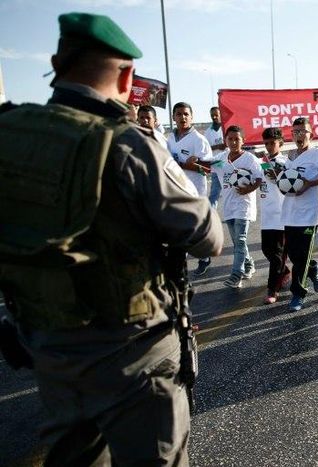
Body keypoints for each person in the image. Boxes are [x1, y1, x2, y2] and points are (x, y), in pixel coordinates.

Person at [0, 12, 223, 465]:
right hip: (132, 349)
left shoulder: (9, 134)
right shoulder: (128, 144)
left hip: (49, 343)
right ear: (126, 77)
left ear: (55, 64)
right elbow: (206, 237)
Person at [281, 117, 318, 312]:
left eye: (303, 131)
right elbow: (285, 182)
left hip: (309, 213)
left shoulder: (317, 154)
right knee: (295, 255)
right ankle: (314, 268)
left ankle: (298, 293)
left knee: (303, 255)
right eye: (296, 132)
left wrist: (309, 183)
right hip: (290, 213)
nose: (299, 135)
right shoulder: (289, 156)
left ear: (311, 134)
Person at [167, 101, 216, 276]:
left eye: (186, 114)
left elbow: (208, 167)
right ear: (173, 117)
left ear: (192, 117)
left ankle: (204, 258)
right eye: (179, 114)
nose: (182, 117)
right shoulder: (171, 139)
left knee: (195, 229)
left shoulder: (199, 139)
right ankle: (179, 264)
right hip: (175, 191)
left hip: (195, 192)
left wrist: (186, 165)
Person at [211, 125, 263, 290]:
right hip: (228, 206)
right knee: (237, 243)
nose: (233, 142)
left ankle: (236, 275)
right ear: (225, 140)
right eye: (230, 139)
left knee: (240, 240)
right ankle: (249, 264)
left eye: (237, 139)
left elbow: (259, 178)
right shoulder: (220, 159)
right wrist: (193, 161)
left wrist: (248, 189)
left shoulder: (249, 159)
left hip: (244, 206)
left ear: (243, 140)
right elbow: (205, 167)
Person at [258, 127, 291, 304]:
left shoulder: (285, 163)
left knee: (277, 255)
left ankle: (273, 289)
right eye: (267, 143)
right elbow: (257, 180)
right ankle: (285, 272)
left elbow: (290, 185)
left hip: (281, 216)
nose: (270, 146)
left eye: (273, 143)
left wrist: (278, 176)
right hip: (267, 215)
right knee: (266, 250)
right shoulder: (261, 162)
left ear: (280, 143)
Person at [205, 106, 226, 208]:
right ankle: (210, 216)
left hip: (229, 164)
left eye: (216, 115)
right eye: (212, 115)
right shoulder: (208, 131)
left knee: (231, 193)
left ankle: (233, 216)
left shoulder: (226, 128)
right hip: (217, 165)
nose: (214, 117)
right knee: (214, 193)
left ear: (220, 114)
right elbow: (206, 147)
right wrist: (218, 146)